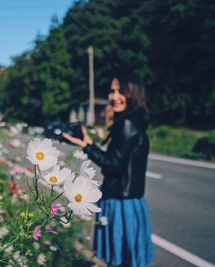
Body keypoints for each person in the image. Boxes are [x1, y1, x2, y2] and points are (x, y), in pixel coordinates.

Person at [63, 76, 154, 267]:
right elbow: (118, 160)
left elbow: (113, 165)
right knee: (129, 260)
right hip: (130, 200)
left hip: (121, 201)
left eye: (121, 91)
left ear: (133, 94)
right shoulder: (133, 121)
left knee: (121, 261)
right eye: (112, 91)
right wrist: (87, 143)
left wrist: (87, 147)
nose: (114, 96)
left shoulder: (127, 123)